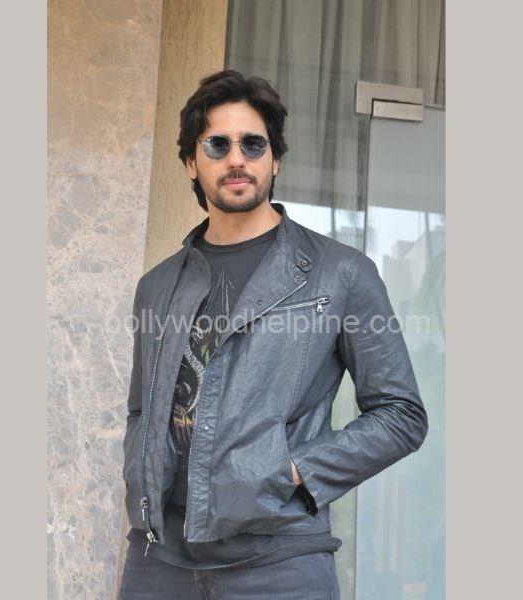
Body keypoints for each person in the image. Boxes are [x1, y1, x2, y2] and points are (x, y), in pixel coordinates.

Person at [118, 69, 427, 599]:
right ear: (191, 163)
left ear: (275, 159)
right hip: (159, 561)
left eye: (253, 144)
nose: (236, 159)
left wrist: (290, 472)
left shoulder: (340, 273)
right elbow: (143, 411)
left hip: (279, 562)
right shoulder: (157, 286)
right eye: (217, 144)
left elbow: (401, 415)